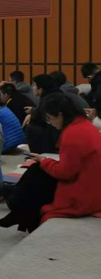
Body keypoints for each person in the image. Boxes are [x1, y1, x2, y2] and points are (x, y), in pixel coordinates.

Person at [33, 94, 101, 223]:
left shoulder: (71, 134)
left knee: (36, 178)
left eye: (49, 118)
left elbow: (64, 172)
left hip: (85, 195)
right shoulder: (85, 124)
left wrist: (44, 161)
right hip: (95, 187)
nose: (50, 123)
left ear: (60, 115)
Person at [25, 74, 62, 154]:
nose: (32, 88)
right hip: (57, 130)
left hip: (56, 132)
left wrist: (32, 113)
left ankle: (37, 154)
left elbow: (42, 117)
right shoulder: (55, 95)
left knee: (31, 128)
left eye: (34, 85)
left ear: (40, 89)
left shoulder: (49, 99)